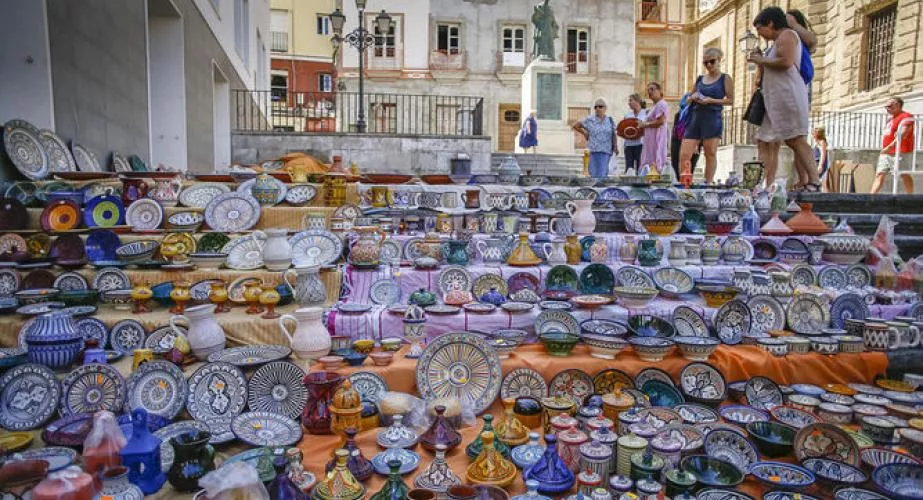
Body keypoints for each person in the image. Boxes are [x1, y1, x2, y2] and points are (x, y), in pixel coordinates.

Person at [748, 6, 819, 192]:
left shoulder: (787, 35)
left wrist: (761, 60)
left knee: (796, 139)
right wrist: (762, 62)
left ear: (770, 23)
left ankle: (814, 180)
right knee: (766, 140)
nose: (760, 34)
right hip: (775, 101)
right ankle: (763, 184)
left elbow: (786, 62)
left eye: (760, 28)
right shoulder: (776, 43)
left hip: (789, 97)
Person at [679, 47, 734, 184]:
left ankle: (708, 183)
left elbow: (730, 100)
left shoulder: (725, 78)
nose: (709, 65)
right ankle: (685, 182)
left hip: (712, 118)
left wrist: (711, 100)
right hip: (695, 118)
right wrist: (692, 97)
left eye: (712, 61)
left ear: (719, 60)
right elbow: (688, 98)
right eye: (705, 62)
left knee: (710, 153)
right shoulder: (700, 79)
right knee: (684, 154)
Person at [871, 97, 916, 194]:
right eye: (886, 107)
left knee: (904, 174)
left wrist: (889, 147)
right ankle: (871, 197)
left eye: (889, 106)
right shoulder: (890, 119)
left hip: (900, 152)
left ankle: (910, 196)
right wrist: (886, 149)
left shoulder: (906, 116)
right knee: (879, 174)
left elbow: (904, 133)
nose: (887, 108)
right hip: (886, 152)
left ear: (898, 105)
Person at [572, 97, 618, 178]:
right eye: (595, 107)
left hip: (605, 151)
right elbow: (576, 126)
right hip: (593, 151)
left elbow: (614, 134)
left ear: (605, 108)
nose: (598, 108)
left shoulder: (610, 120)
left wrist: (615, 146)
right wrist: (584, 133)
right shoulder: (589, 119)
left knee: (603, 175)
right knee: (593, 175)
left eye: (600, 106)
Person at [638, 82, 670, 175]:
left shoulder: (661, 104)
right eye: (648, 90)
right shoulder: (655, 106)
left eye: (652, 89)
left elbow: (660, 121)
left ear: (660, 91)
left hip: (656, 141)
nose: (650, 92)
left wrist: (645, 124)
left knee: (655, 166)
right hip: (650, 142)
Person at [670, 93, 700, 180]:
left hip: (691, 142)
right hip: (678, 142)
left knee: (689, 166)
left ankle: (687, 184)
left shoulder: (696, 114)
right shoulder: (679, 114)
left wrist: (697, 144)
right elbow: (675, 131)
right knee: (676, 165)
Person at [623, 94, 647, 174]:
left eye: (630, 100)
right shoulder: (627, 115)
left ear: (637, 101)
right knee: (629, 168)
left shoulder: (646, 113)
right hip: (629, 145)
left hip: (641, 144)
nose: (629, 103)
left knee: (640, 167)